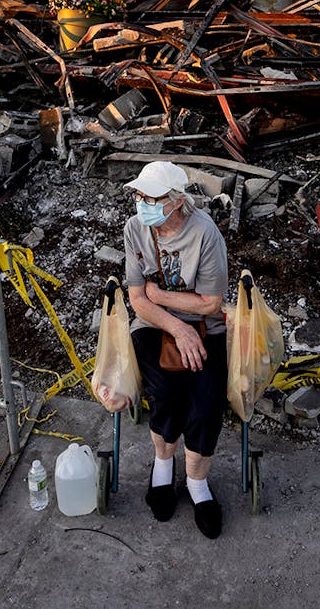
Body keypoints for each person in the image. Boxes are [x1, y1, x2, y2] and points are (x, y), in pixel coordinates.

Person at [121, 160, 229, 539]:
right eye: (138, 195)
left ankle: (198, 485)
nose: (141, 202)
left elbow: (211, 304)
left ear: (177, 201)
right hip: (154, 323)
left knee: (206, 404)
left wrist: (162, 296)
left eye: (151, 197)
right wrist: (176, 326)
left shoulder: (205, 235)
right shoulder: (134, 229)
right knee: (165, 392)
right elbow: (138, 299)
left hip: (206, 327)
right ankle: (163, 468)